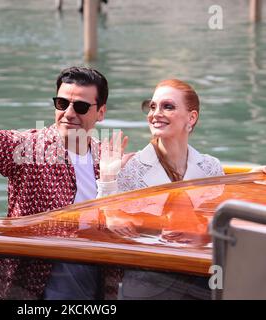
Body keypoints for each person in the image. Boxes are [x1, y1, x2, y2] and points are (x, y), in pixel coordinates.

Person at [0, 21, 121, 299]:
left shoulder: (107, 159)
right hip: (36, 279)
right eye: (62, 103)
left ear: (101, 112)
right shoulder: (28, 148)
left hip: (97, 273)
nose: (69, 113)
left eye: (81, 106)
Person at [98, 79, 266, 299]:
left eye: (167, 106)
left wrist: (255, 181)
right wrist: (107, 178)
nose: (155, 113)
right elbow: (102, 227)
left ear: (191, 118)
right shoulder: (130, 168)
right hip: (150, 279)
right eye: (152, 106)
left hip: (203, 278)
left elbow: (220, 227)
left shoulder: (210, 167)